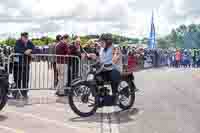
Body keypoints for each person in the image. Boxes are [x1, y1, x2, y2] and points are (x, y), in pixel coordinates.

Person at [13, 32, 35, 99]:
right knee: (18, 78)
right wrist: (25, 52)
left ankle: (25, 92)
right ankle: (17, 92)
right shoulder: (18, 42)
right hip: (18, 64)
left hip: (26, 63)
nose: (26, 39)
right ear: (21, 37)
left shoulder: (29, 42)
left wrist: (30, 50)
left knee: (26, 78)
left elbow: (34, 48)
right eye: (25, 37)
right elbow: (17, 49)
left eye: (27, 37)